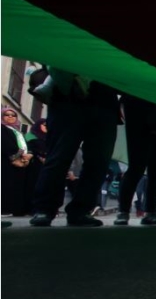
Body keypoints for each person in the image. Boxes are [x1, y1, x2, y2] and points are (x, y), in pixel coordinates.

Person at [29, 71, 118, 227]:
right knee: (58, 155)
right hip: (67, 96)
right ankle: (44, 208)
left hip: (105, 100)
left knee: (99, 160)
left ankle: (81, 210)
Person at [114, 95, 156, 226]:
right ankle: (127, 211)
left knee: (155, 170)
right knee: (138, 167)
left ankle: (146, 212)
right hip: (143, 112)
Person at [2, 107, 32, 216]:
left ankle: (15, 209)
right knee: (6, 185)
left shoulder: (18, 131)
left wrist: (27, 156)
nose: (10, 116)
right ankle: (4, 209)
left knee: (17, 187)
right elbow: (5, 144)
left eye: (13, 115)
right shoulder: (2, 128)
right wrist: (20, 154)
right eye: (7, 114)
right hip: (6, 162)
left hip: (20, 162)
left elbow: (25, 145)